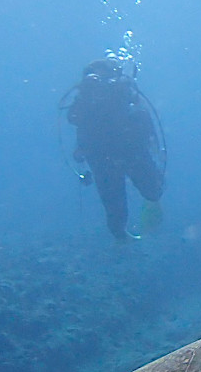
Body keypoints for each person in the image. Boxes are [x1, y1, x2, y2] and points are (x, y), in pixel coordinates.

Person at [65, 58, 165, 241]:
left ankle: (131, 232)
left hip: (125, 152)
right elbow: (74, 118)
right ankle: (123, 239)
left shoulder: (122, 91)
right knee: (117, 209)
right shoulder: (87, 97)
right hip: (108, 155)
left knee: (150, 192)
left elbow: (143, 118)